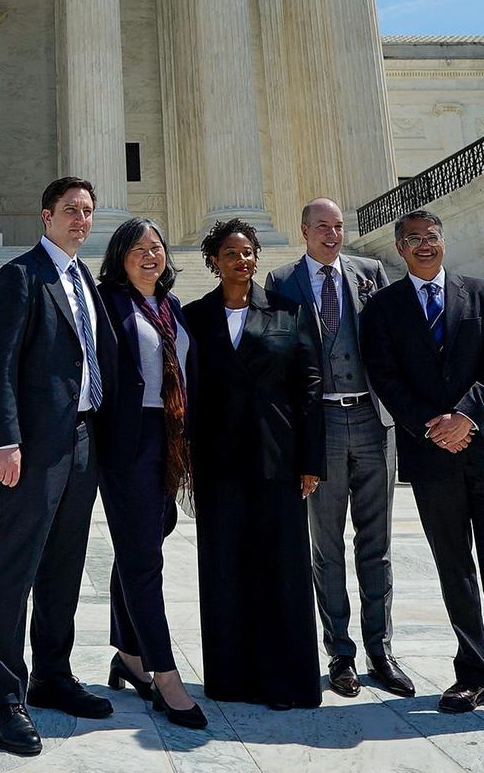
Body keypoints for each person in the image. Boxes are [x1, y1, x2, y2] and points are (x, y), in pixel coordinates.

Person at [0, 177, 116, 756]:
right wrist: (4, 441)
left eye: (87, 211)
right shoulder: (20, 275)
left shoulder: (84, 277)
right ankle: (3, 700)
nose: (80, 220)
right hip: (32, 449)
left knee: (64, 565)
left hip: (82, 440)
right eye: (70, 211)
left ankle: (52, 675)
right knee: (14, 569)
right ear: (45, 216)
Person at [266, 198, 412, 699]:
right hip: (320, 423)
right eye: (322, 226)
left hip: (373, 421)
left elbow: (396, 339)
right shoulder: (281, 282)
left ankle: (382, 650)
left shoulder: (371, 271)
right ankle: (340, 653)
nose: (332, 234)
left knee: (378, 545)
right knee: (326, 548)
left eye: (338, 226)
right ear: (303, 230)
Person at [185, 218, 324, 710]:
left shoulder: (289, 311)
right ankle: (229, 679)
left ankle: (284, 681)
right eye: (230, 254)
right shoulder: (194, 317)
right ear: (214, 262)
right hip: (219, 463)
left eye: (248, 253)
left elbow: (309, 388)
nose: (241, 261)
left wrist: (310, 461)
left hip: (277, 461)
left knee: (280, 571)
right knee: (224, 570)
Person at [360, 210, 484, 712]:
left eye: (431, 237)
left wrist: (467, 417)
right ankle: (473, 671)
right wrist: (434, 426)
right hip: (432, 454)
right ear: (398, 246)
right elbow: (385, 377)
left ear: (443, 241)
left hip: (481, 441)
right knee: (454, 567)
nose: (424, 246)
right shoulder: (382, 307)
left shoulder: (479, 293)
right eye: (413, 239)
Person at [95, 218, 206, 728]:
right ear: (120, 255)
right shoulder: (107, 303)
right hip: (129, 440)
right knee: (143, 560)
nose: (149, 254)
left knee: (148, 543)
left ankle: (129, 655)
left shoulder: (173, 307)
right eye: (138, 247)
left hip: (172, 438)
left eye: (156, 246)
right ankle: (164, 673)